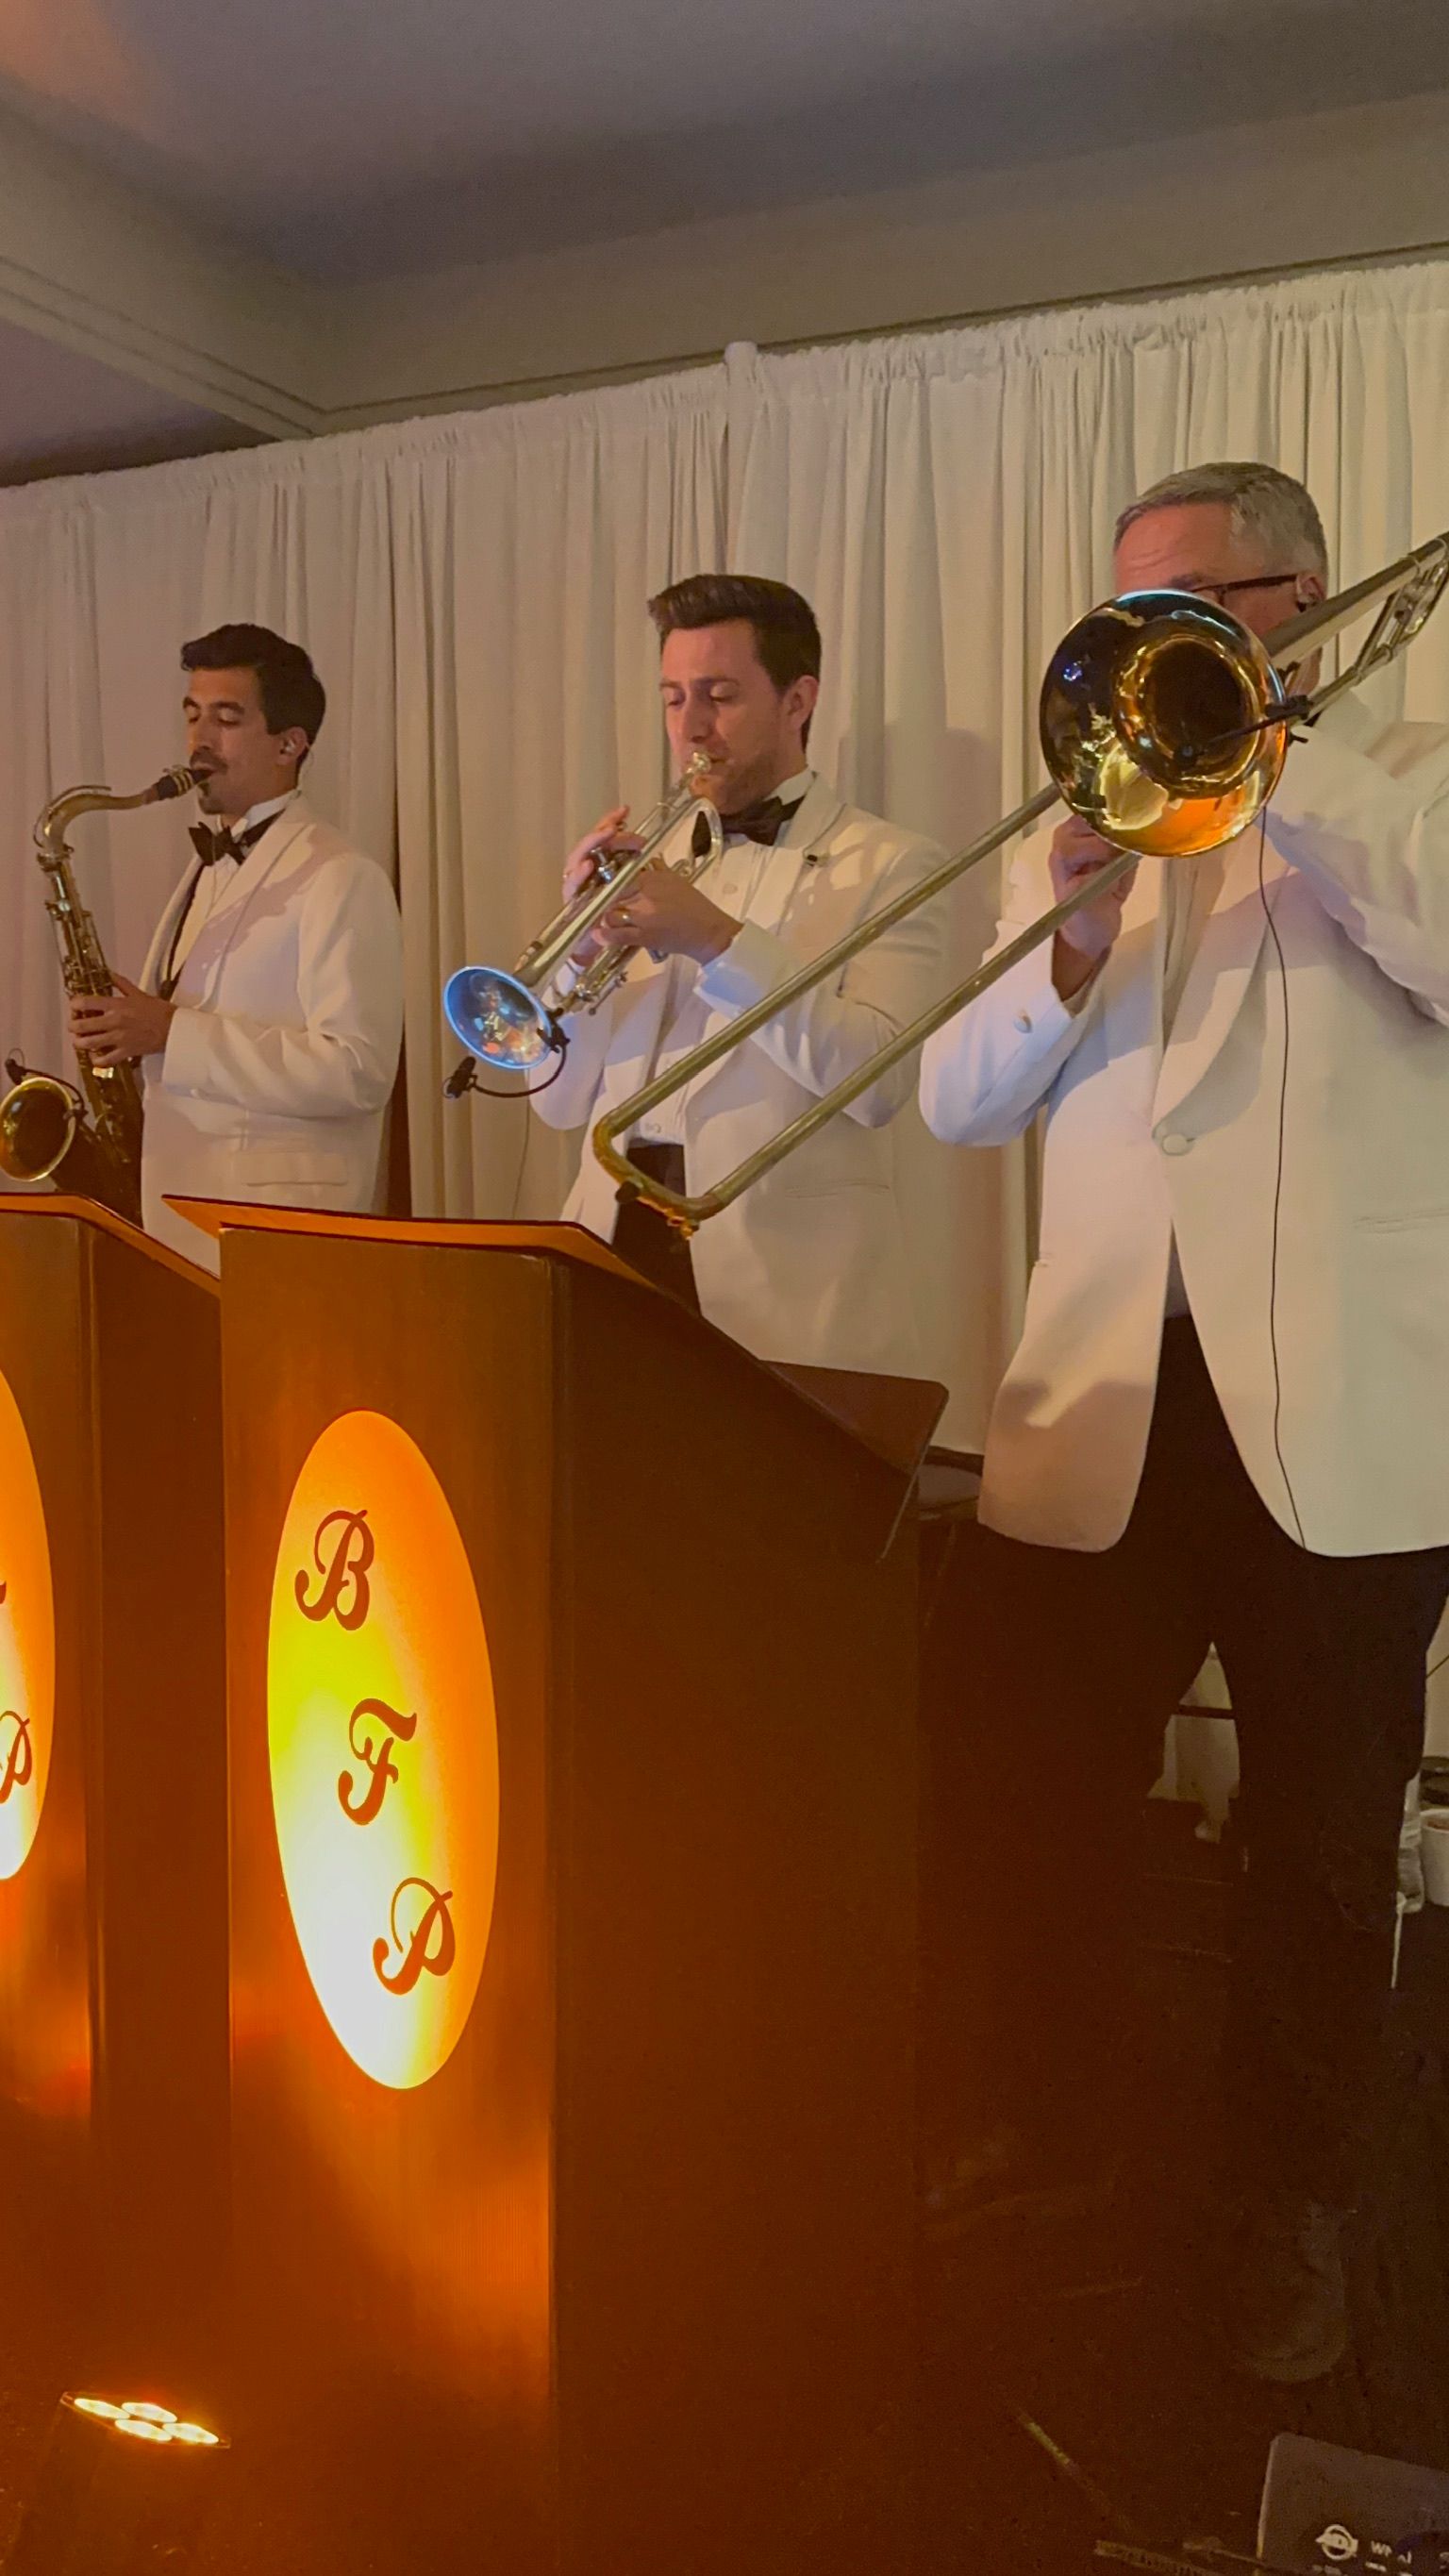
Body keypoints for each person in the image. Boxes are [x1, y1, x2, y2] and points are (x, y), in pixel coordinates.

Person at [918, 463, 1449, 2383]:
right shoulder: (1096, 814)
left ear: (1297, 600)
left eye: (1192, 606)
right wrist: (1065, 940)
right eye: (1135, 609)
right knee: (1020, 1794)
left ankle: (1286, 2209)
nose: (1151, 645)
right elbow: (957, 1103)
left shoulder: (1410, 775)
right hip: (1109, 1412)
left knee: (1320, 1851)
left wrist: (1295, 767)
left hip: (1341, 1419)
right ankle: (1043, 2124)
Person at [530, 574, 945, 1376]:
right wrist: (576, 953)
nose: (691, 726)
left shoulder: (892, 864)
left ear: (798, 701)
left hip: (782, 1288)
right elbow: (557, 1102)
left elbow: (876, 1083)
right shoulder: (648, 859)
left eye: (719, 696)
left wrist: (717, 941)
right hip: (611, 1248)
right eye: (673, 698)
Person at [69, 624, 404, 1272]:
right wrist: (125, 1034)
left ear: (290, 743)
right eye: (192, 715)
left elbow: (358, 1072)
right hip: (181, 1220)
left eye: (226, 719)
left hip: (279, 1237)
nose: (199, 739)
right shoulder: (205, 866)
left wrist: (172, 1033)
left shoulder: (342, 874)